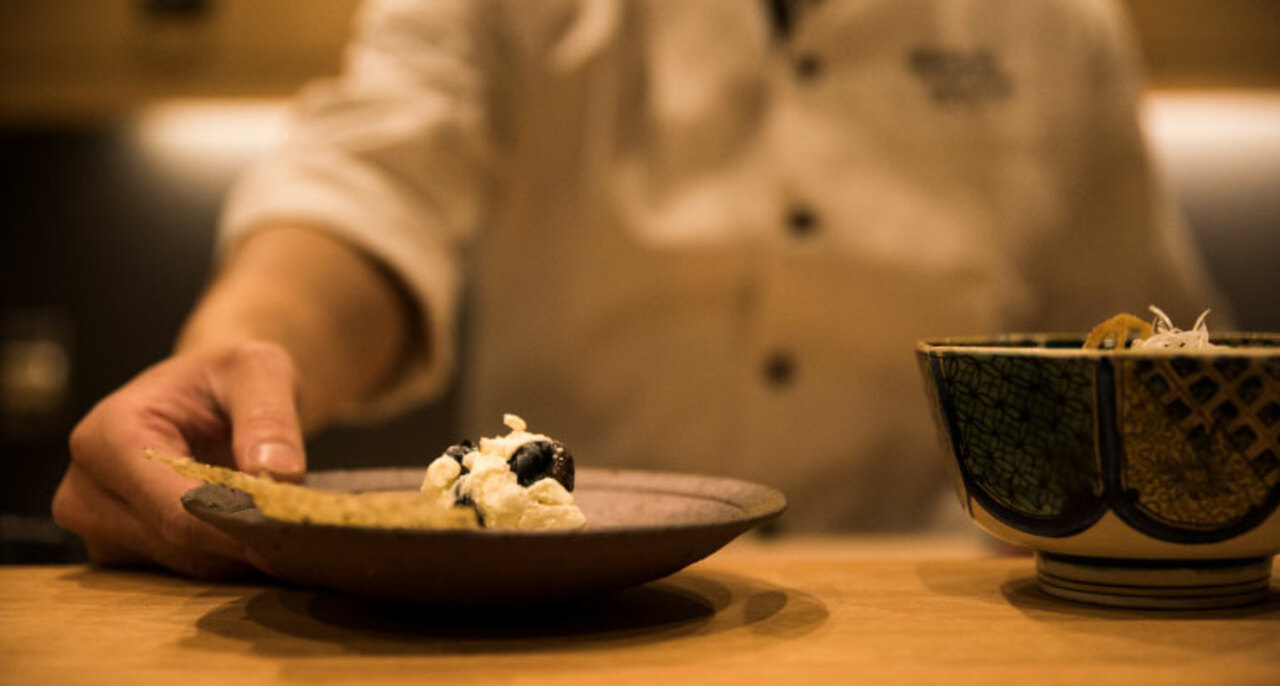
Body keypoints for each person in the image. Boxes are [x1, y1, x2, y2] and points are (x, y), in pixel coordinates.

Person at [53, 0, 1225, 578]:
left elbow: (1145, 368)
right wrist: (249, 353)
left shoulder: (1060, 24)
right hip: (561, 608)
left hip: (943, 617)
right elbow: (372, 181)